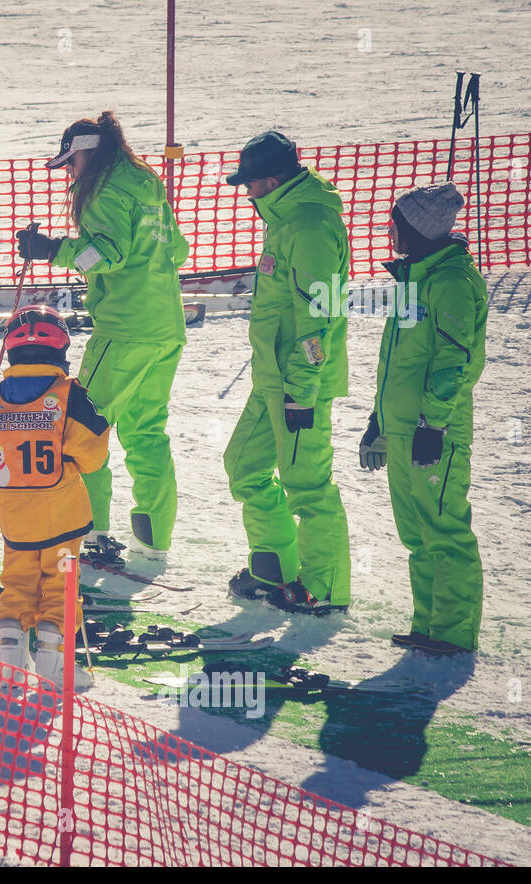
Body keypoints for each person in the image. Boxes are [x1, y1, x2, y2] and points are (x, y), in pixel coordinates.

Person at [16, 110, 188, 559]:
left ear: (87, 154)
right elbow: (180, 249)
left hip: (125, 327)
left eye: (70, 163)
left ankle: (91, 534)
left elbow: (106, 254)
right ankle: (155, 540)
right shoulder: (145, 182)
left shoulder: (104, 190)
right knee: (148, 432)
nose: (69, 173)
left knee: (83, 427)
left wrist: (52, 250)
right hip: (166, 326)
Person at [220, 130, 352, 615]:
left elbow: (318, 316)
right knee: (244, 466)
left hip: (299, 385)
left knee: (309, 486)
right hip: (273, 378)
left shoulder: (310, 226)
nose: (246, 193)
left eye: (249, 185)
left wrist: (302, 390)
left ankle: (324, 590)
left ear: (271, 180)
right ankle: (275, 564)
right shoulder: (287, 219)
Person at [360, 183, 486, 655]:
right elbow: (398, 361)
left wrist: (433, 426)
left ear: (417, 229)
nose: (391, 231)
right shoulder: (416, 277)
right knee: (417, 530)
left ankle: (452, 633)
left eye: (397, 223)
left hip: (435, 431)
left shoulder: (450, 281)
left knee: (443, 528)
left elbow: (455, 362)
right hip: (404, 427)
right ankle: (429, 626)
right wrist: (379, 419)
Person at [0, 306, 110, 689]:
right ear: (61, 350)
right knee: (62, 582)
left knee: (17, 581)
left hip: (15, 514)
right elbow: (94, 458)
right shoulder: (71, 395)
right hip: (63, 515)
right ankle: (53, 660)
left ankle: (10, 658)